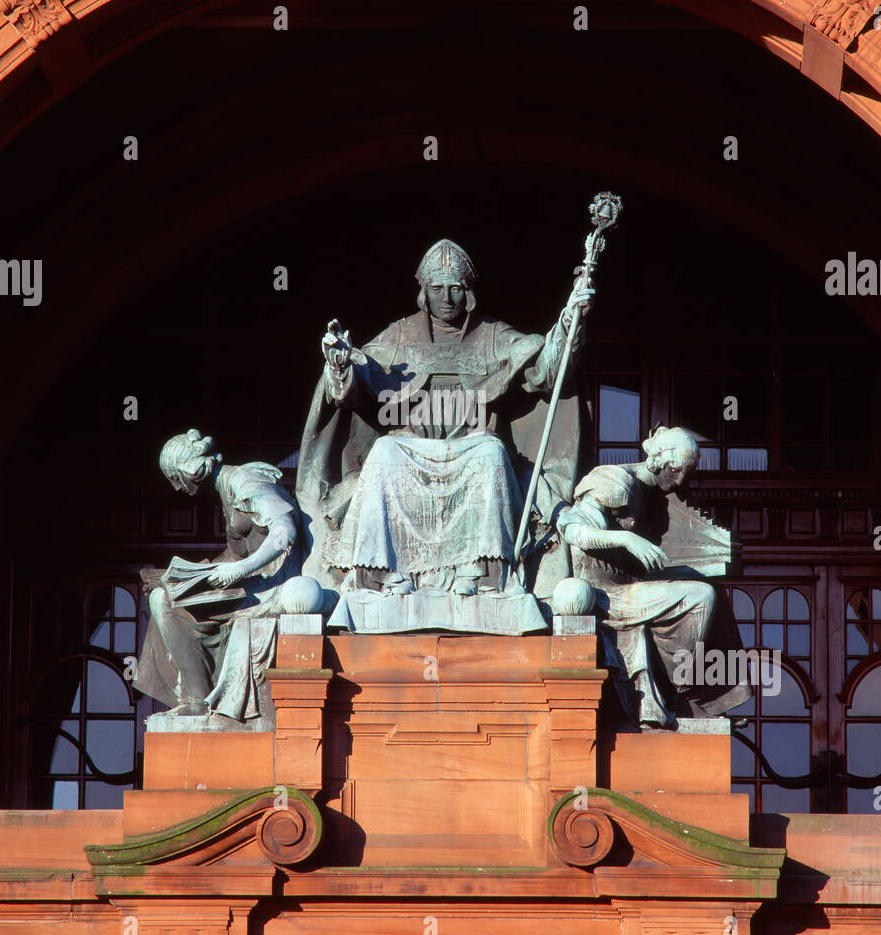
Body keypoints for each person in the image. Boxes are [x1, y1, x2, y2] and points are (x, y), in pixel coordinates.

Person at [297, 239, 593, 599]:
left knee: (491, 452)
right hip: (412, 450)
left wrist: (567, 323)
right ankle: (379, 571)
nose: (447, 297)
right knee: (385, 451)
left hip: (471, 447)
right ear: (424, 292)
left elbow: (546, 368)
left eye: (456, 288)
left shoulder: (493, 335)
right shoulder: (400, 335)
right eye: (437, 288)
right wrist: (341, 365)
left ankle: (482, 570)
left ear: (468, 293)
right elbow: (356, 386)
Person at [557, 426, 748, 727]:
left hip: (632, 586)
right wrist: (626, 540)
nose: (682, 479)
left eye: (687, 471)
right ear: (659, 460)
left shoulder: (653, 496)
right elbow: (573, 531)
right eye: (677, 469)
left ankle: (708, 698)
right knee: (701, 597)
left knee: (712, 589)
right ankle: (683, 692)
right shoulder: (617, 481)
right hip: (604, 594)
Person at [134, 430, 304, 723]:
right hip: (250, 585)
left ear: (192, 470)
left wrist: (239, 569)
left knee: (164, 601)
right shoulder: (226, 488)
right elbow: (234, 555)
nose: (176, 488)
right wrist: (189, 576)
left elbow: (284, 531)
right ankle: (196, 699)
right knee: (164, 591)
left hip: (269, 588)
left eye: (176, 478)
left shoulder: (245, 482)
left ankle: (197, 700)